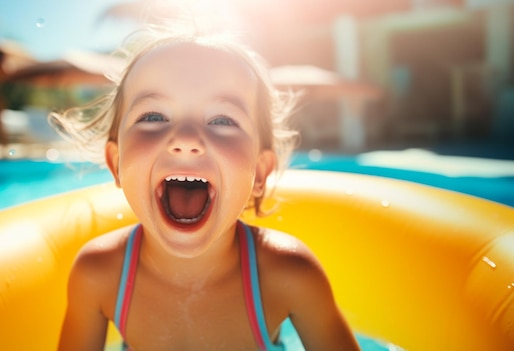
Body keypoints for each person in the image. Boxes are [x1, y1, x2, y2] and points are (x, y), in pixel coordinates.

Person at [52, 24, 360, 351]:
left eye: (222, 120)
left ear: (259, 173)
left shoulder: (287, 274)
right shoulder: (99, 275)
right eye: (154, 116)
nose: (186, 140)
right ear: (116, 164)